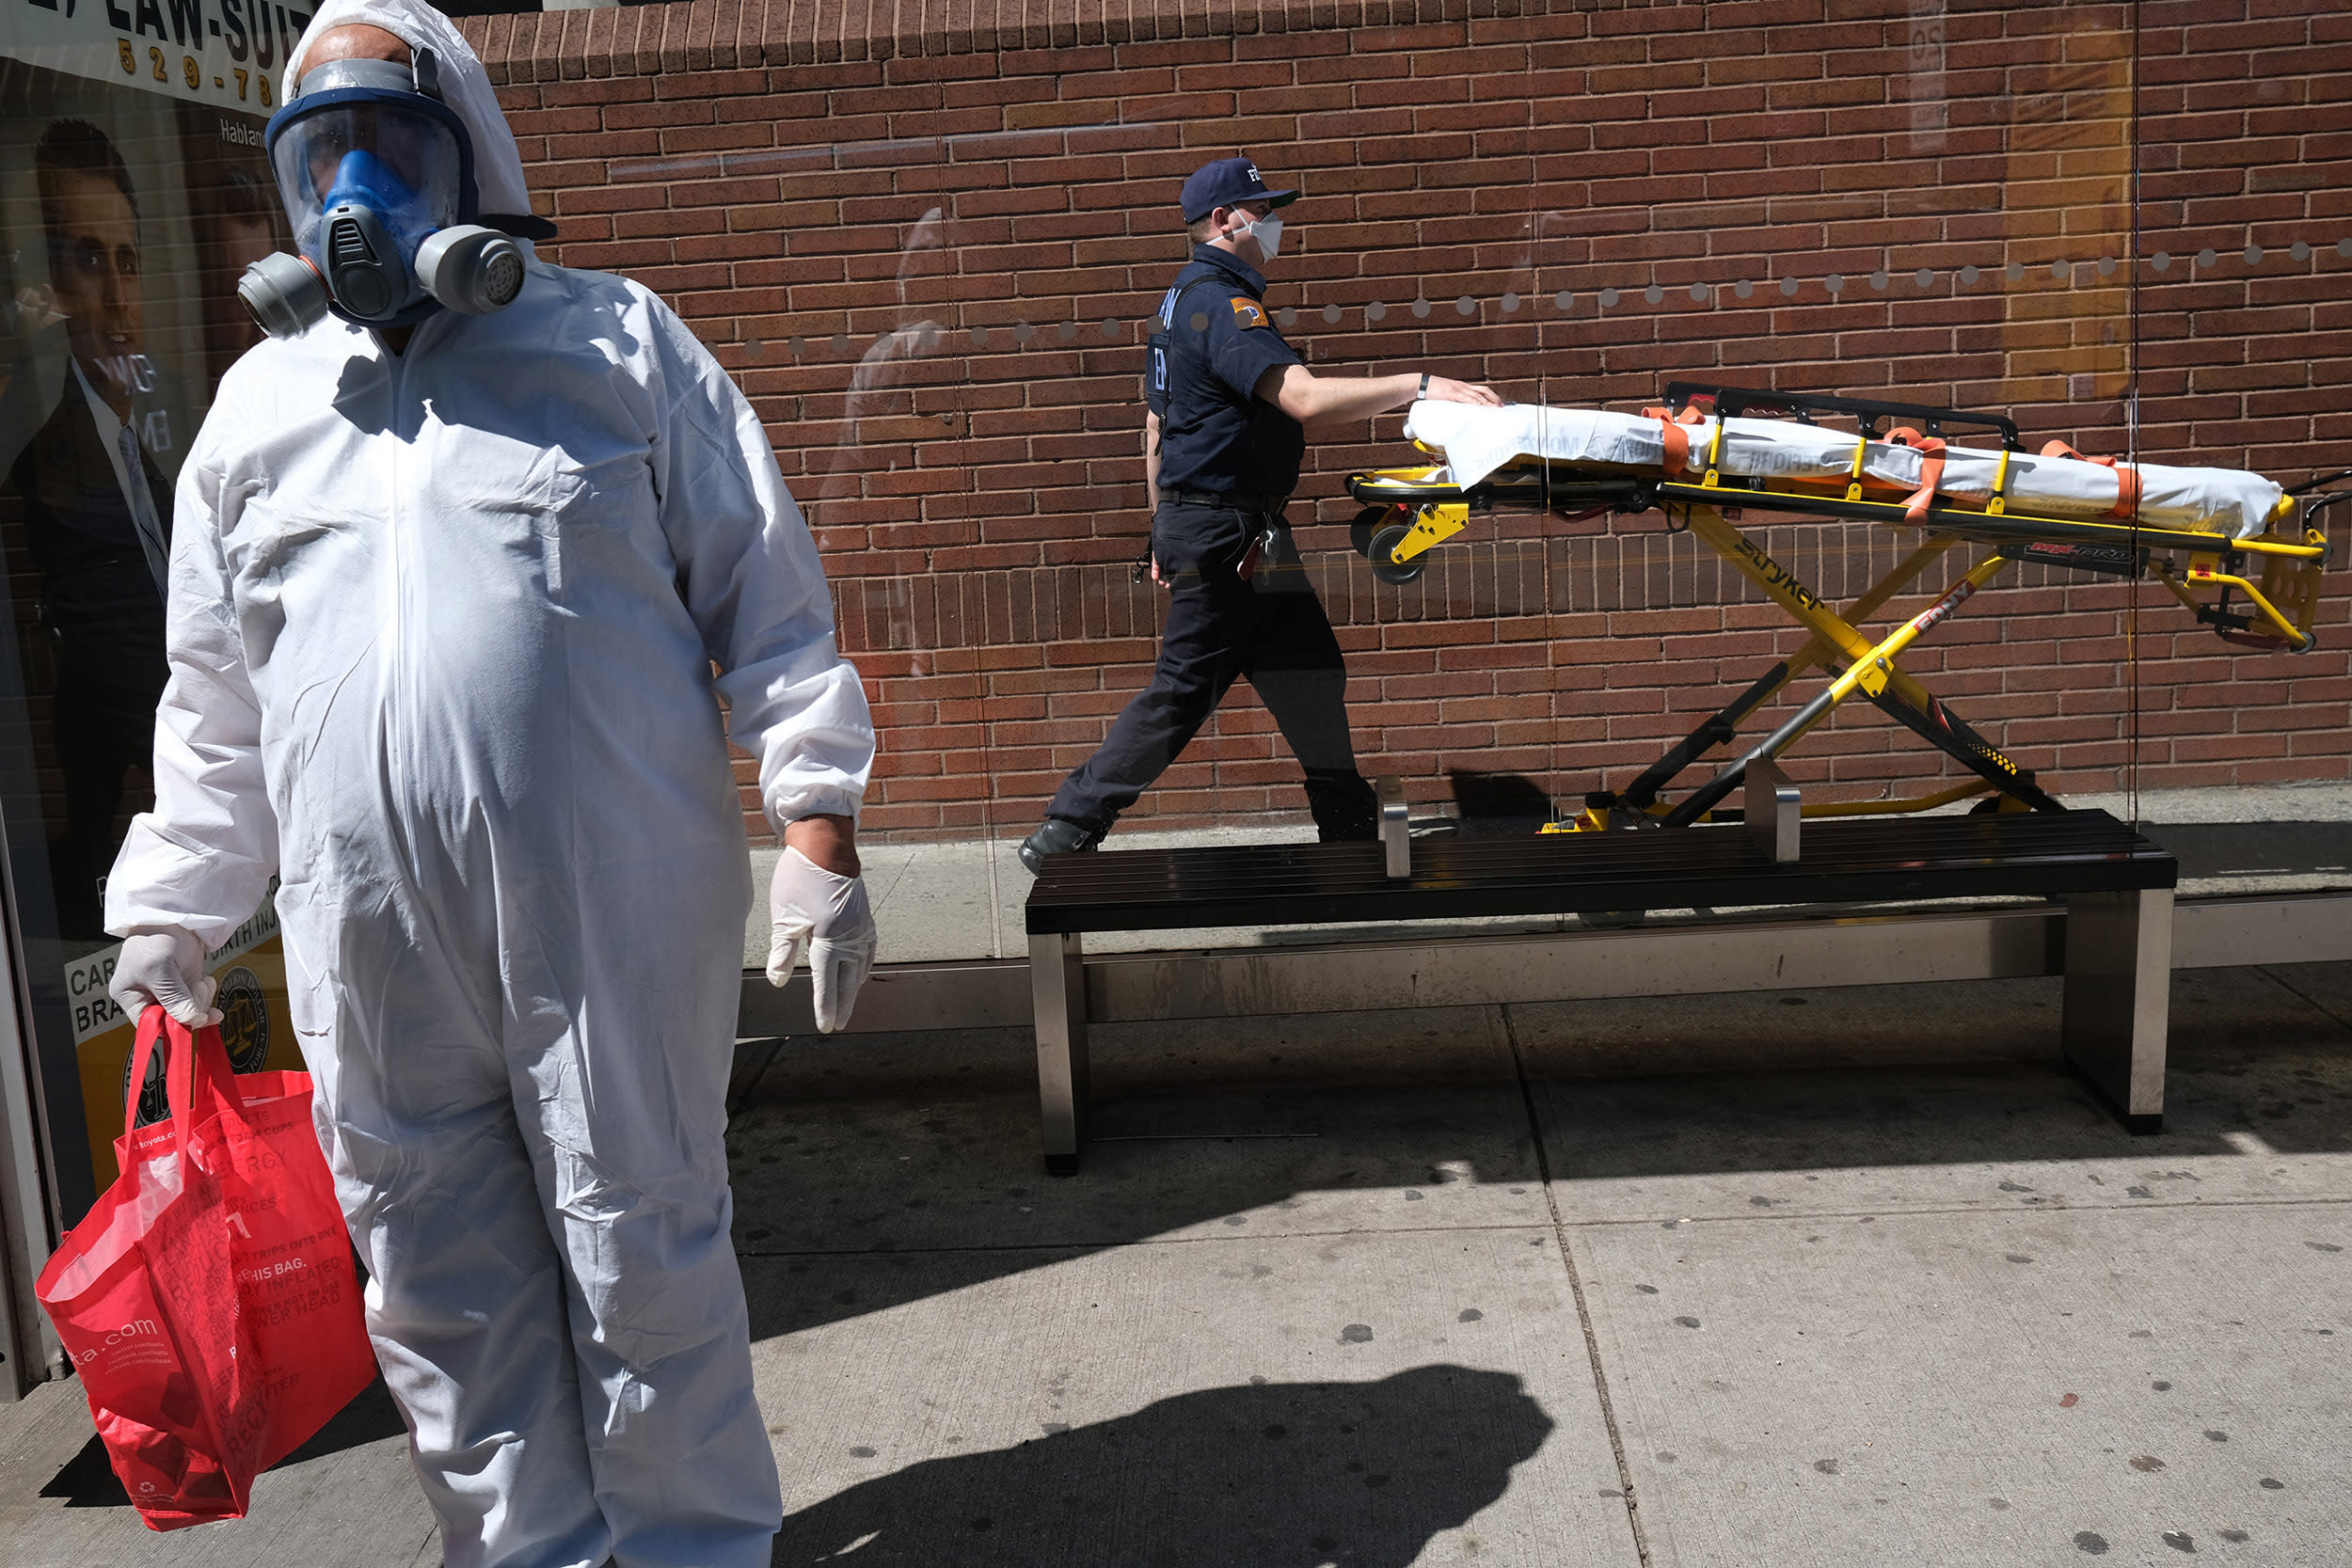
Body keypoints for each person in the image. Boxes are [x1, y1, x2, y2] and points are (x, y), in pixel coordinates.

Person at [99, 3, 879, 1564]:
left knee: (643, 1251)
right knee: (435, 1282)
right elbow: (215, 706)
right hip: (371, 943)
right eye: (322, 150)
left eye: (390, 142)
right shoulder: (257, 419)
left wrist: (821, 825)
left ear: (472, 158)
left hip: (614, 912)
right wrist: (172, 906)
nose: (354, 188)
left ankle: (692, 1548)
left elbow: (769, 603)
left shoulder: (615, 345)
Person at [1018, 155, 1502, 872]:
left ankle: (1348, 828)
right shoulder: (1223, 305)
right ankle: (1068, 827)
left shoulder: (1178, 303)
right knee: (1183, 689)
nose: (1273, 226)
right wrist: (1420, 384)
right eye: (1263, 212)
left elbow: (1155, 426)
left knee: (1309, 667)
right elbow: (1301, 398)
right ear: (1225, 221)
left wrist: (1162, 527)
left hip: (1232, 529)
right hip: (1227, 533)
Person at [3, 120, 173, 939]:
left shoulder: (144, 447)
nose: (116, 294)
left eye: (127, 260)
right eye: (88, 258)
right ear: (51, 282)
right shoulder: (41, 451)